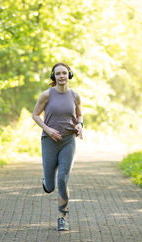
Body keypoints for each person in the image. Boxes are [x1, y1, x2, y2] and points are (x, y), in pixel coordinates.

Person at [32, 62, 83, 231]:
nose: (62, 76)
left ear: (70, 74)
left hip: (68, 141)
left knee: (63, 179)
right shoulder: (46, 95)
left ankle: (62, 217)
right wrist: (48, 129)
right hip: (49, 141)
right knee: (50, 187)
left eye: (64, 73)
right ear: (54, 77)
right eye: (58, 73)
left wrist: (80, 125)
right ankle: (46, 182)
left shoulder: (75, 96)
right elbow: (35, 115)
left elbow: (79, 115)